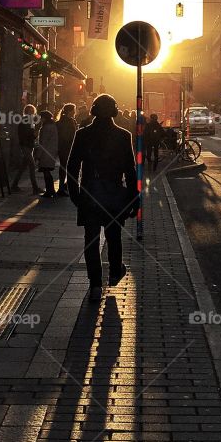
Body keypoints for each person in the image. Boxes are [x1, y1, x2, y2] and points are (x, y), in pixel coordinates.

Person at [66, 94, 138, 302]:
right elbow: (130, 171)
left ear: (93, 111)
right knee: (114, 236)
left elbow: (72, 167)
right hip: (114, 195)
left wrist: (75, 195)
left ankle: (95, 283)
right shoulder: (123, 136)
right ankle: (115, 271)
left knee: (91, 240)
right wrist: (134, 198)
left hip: (89, 194)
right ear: (114, 111)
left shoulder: (82, 134)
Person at [10, 104, 41, 195]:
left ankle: (14, 185)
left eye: (32, 111)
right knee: (32, 166)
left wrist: (34, 136)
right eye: (30, 111)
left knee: (23, 167)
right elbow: (26, 135)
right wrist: (34, 134)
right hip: (26, 146)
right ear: (26, 112)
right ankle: (35, 188)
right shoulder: (25, 121)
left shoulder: (30, 121)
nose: (31, 113)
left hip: (28, 146)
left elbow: (30, 135)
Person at [56, 103, 78, 195]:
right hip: (68, 147)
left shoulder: (60, 121)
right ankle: (64, 187)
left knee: (63, 167)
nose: (75, 112)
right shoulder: (70, 121)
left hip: (62, 147)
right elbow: (71, 135)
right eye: (74, 110)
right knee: (69, 167)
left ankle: (63, 186)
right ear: (70, 111)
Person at [36, 109, 59, 197]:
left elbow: (43, 142)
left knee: (46, 171)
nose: (40, 119)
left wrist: (38, 155)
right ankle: (51, 190)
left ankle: (50, 191)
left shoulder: (45, 128)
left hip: (46, 153)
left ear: (44, 118)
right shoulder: (53, 126)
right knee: (47, 171)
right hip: (51, 151)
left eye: (41, 117)